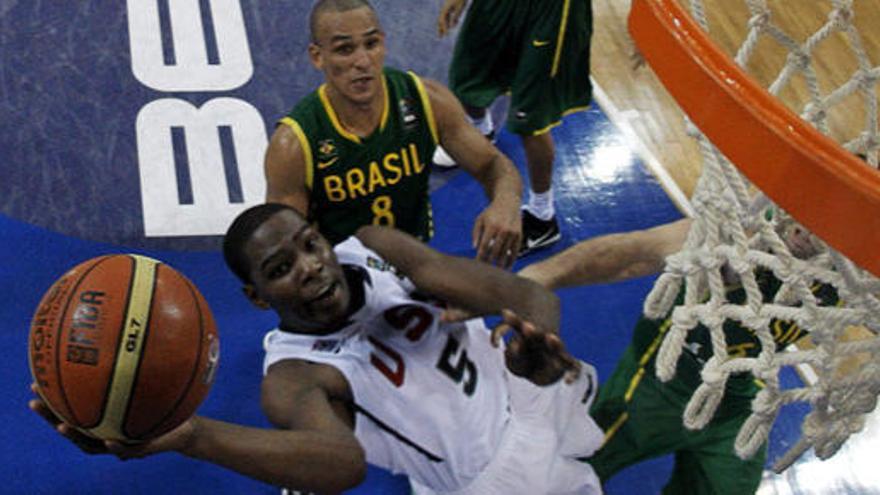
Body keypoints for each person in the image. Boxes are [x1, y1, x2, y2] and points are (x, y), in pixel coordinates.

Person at [31, 202, 604, 494]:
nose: (310, 267)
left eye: (311, 244)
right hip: (494, 480)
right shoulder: (293, 374)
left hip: (533, 399)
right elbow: (342, 465)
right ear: (257, 298)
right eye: (282, 269)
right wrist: (192, 435)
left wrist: (538, 359)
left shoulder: (376, 249)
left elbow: (528, 297)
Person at [518, 217, 839, 494]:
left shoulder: (855, 280)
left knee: (731, 487)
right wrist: (543, 276)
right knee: (562, 475)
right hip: (658, 383)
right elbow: (636, 252)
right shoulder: (747, 230)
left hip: (734, 394)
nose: (809, 232)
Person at [265, 0, 523, 268]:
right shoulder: (293, 144)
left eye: (371, 44)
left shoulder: (426, 100)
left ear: (384, 43)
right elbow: (286, 242)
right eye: (345, 49)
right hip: (343, 281)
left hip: (416, 262)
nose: (363, 61)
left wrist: (506, 201)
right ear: (317, 56)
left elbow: (493, 165)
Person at [434, 0, 594, 257]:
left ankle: (543, 217)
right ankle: (479, 132)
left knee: (532, 122)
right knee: (468, 78)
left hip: (549, 14)